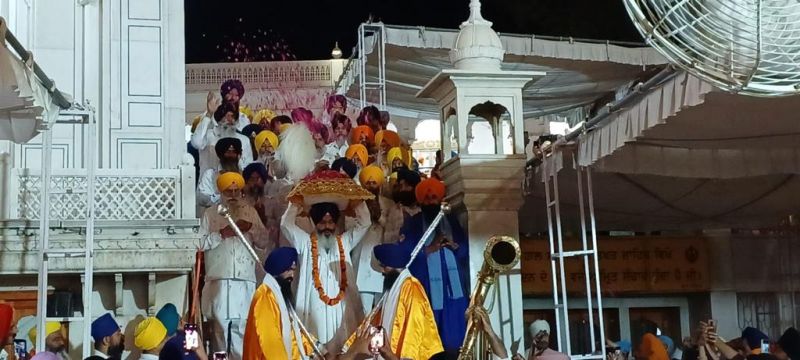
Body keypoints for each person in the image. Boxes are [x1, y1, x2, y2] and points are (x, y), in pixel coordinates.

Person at [280, 200, 371, 353]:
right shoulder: (305, 243)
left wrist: (358, 202)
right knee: (316, 345)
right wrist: (295, 203)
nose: (327, 227)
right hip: (315, 308)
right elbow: (286, 225)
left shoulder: (344, 242)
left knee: (343, 347)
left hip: (341, 308)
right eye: (322, 222)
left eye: (331, 222)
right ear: (315, 223)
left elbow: (365, 223)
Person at [198, 172, 269, 360]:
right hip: (220, 279)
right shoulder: (210, 214)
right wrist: (222, 234)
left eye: (237, 191)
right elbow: (199, 243)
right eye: (229, 191)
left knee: (242, 328)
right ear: (221, 192)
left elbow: (264, 242)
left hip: (244, 280)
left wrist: (251, 228)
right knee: (219, 329)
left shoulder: (250, 212)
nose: (233, 195)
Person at [399, 177, 469, 352]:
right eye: (427, 199)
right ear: (421, 201)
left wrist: (454, 246)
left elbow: (465, 249)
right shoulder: (414, 223)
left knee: (455, 339)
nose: (431, 202)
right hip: (427, 287)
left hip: (454, 289)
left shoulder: (451, 220)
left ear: (440, 200)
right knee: (432, 336)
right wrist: (430, 248)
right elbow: (406, 255)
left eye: (434, 198)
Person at [341, 243, 443, 360]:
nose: (382, 271)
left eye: (384, 267)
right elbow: (375, 319)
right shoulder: (393, 287)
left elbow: (414, 327)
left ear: (394, 266)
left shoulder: (412, 288)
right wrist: (351, 346)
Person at [242, 247, 314, 360]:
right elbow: (271, 343)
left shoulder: (280, 297)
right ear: (278, 268)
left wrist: (315, 348)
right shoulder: (265, 296)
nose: (292, 275)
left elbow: (292, 335)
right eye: (288, 270)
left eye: (293, 270)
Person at [351, 165, 403, 315]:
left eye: (374, 183)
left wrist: (378, 216)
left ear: (379, 184)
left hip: (382, 260)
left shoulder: (389, 204)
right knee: (363, 312)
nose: (371, 186)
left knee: (384, 310)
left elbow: (393, 229)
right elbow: (350, 227)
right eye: (368, 183)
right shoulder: (356, 204)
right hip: (361, 261)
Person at [191, 102, 253, 178]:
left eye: (232, 116)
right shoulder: (209, 136)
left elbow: (248, 166)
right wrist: (208, 115)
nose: (229, 119)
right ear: (219, 117)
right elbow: (196, 143)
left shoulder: (244, 140)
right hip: (209, 182)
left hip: (236, 183)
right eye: (226, 116)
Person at [197, 137, 244, 208]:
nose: (231, 155)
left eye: (234, 152)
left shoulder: (244, 174)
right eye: (228, 152)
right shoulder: (210, 174)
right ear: (221, 154)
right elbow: (202, 198)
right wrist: (224, 197)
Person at [242, 163, 271, 232]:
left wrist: (263, 218)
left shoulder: (270, 202)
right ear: (247, 181)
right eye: (252, 179)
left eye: (258, 178)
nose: (256, 182)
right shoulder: (240, 201)